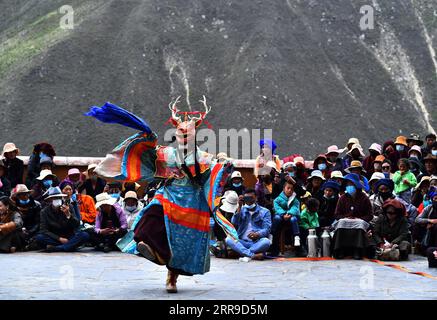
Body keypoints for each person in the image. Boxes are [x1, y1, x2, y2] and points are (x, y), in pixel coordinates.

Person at [86, 97, 238, 293]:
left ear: (193, 135)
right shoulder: (167, 154)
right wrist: (147, 140)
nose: (184, 135)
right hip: (169, 194)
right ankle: (148, 247)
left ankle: (171, 278)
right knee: (150, 215)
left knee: (181, 242)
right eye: (181, 132)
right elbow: (147, 159)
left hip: (192, 201)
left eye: (187, 133)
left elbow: (215, 175)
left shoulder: (203, 158)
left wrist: (224, 163)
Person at [35, 187, 89, 252]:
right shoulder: (44, 211)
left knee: (84, 235)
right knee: (39, 237)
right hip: (55, 237)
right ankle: (69, 246)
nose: (57, 200)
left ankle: (58, 248)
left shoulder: (69, 207)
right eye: (55, 198)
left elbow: (76, 224)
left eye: (59, 198)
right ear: (50, 200)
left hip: (69, 236)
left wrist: (68, 214)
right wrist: (59, 239)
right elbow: (43, 230)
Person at [333, 173, 373, 259]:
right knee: (341, 223)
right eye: (347, 184)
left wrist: (359, 218)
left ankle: (357, 250)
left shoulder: (364, 198)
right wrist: (345, 217)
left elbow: (370, 215)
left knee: (360, 224)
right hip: (345, 220)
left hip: (359, 220)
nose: (349, 186)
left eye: (351, 184)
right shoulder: (342, 198)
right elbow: (337, 214)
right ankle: (340, 250)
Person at [225, 189, 272, 262]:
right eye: (246, 198)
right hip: (242, 241)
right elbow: (234, 222)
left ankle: (241, 253)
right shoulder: (241, 210)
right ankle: (252, 255)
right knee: (229, 239)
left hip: (256, 242)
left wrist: (257, 234)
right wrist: (239, 207)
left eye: (251, 198)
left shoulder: (265, 211)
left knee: (266, 242)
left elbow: (267, 229)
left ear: (256, 198)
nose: (249, 200)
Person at [272, 179, 305, 256]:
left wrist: (290, 214)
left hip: (291, 218)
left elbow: (295, 207)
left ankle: (297, 238)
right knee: (276, 218)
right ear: (284, 189)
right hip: (281, 218)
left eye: (292, 189)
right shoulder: (278, 199)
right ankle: (272, 235)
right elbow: (277, 208)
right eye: (288, 188)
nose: (290, 190)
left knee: (294, 219)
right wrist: (283, 214)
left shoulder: (295, 199)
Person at [10, 184, 41, 250]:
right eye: (22, 194)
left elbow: (38, 222)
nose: (26, 196)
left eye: (27, 193)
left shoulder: (37, 205)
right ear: (18, 196)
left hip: (33, 229)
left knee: (40, 236)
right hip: (20, 229)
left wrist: (29, 231)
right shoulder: (14, 207)